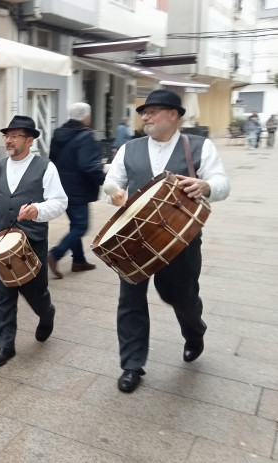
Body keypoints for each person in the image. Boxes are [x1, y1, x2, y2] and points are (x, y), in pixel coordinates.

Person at [104, 89, 230, 393]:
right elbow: (111, 182)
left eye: (153, 111)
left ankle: (194, 331)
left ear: (173, 115)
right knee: (130, 300)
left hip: (181, 240)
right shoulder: (129, 148)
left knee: (181, 296)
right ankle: (132, 365)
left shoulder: (199, 146)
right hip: (134, 240)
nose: (145, 116)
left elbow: (223, 183)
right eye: (144, 112)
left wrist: (207, 185)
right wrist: (114, 193)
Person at [0, 115, 68, 367]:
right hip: (1, 242)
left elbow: (60, 202)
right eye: (7, 135)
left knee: (34, 292)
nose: (9, 140)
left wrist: (38, 210)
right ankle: (5, 345)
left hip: (32, 242)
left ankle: (46, 313)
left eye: (15, 136)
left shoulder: (45, 167)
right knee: (3, 294)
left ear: (29, 140)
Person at [47, 102, 106, 279]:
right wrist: (106, 181)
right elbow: (88, 165)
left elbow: (52, 160)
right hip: (77, 188)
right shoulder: (85, 136)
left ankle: (79, 261)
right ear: (85, 117)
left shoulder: (58, 133)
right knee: (81, 226)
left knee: (75, 224)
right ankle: (55, 254)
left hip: (60, 186)